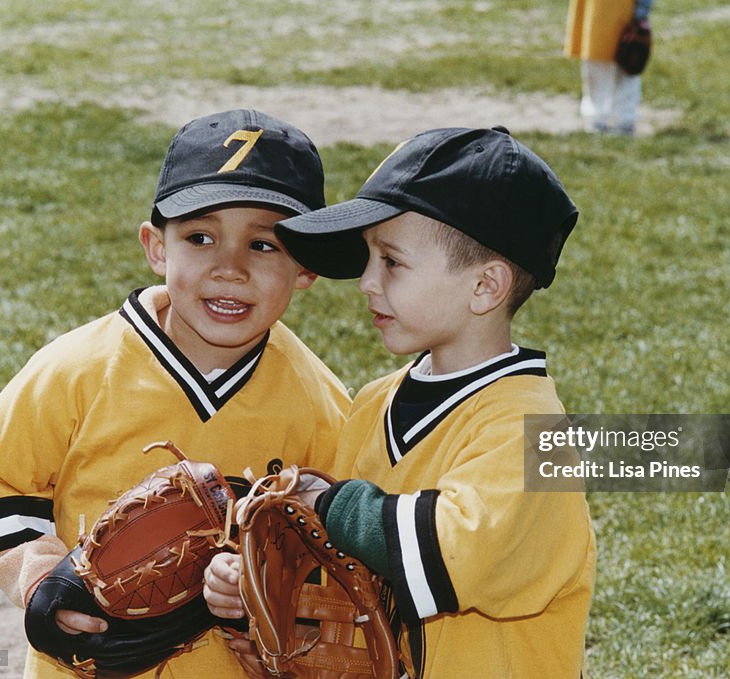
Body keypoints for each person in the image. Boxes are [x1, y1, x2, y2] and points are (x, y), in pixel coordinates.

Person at [0, 108, 351, 678]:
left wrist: (272, 592)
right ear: (157, 247)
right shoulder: (79, 368)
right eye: (201, 237)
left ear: (306, 266)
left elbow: (336, 551)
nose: (229, 268)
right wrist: (40, 582)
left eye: (264, 245)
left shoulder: (322, 404)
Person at [206, 126, 597, 678]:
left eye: (391, 261)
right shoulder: (374, 403)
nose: (366, 281)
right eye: (369, 258)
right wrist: (257, 580)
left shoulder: (531, 430)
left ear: (485, 287)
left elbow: (453, 552)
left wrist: (333, 506)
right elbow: (340, 569)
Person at [565, 0, 655, 136]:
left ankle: (624, 119)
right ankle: (596, 117)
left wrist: (641, 13)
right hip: (594, 9)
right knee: (596, 62)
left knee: (626, 62)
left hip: (624, 10)